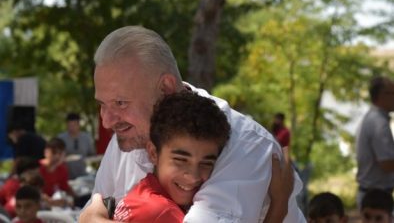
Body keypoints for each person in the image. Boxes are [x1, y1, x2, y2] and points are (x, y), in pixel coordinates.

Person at [80, 26, 305, 222]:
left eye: (120, 103)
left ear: (166, 88)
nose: (107, 121)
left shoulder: (246, 145)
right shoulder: (130, 135)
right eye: (102, 104)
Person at [114, 91, 230, 221]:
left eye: (206, 163)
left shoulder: (142, 195)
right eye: (181, 160)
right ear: (153, 153)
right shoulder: (163, 212)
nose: (193, 177)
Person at [355, 76, 394, 208]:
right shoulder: (379, 123)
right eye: (393, 92)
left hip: (373, 196)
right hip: (376, 200)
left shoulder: (372, 118)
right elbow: (387, 164)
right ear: (382, 95)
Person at [58, 112, 95, 179]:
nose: (72, 128)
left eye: (74, 125)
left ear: (78, 125)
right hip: (65, 176)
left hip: (83, 174)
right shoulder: (61, 138)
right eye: (70, 125)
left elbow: (92, 154)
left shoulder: (86, 138)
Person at [39, 137, 75, 206]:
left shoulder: (63, 169)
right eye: (54, 152)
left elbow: (65, 188)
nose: (58, 156)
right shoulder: (37, 169)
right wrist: (50, 201)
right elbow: (35, 193)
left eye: (61, 153)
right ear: (46, 152)